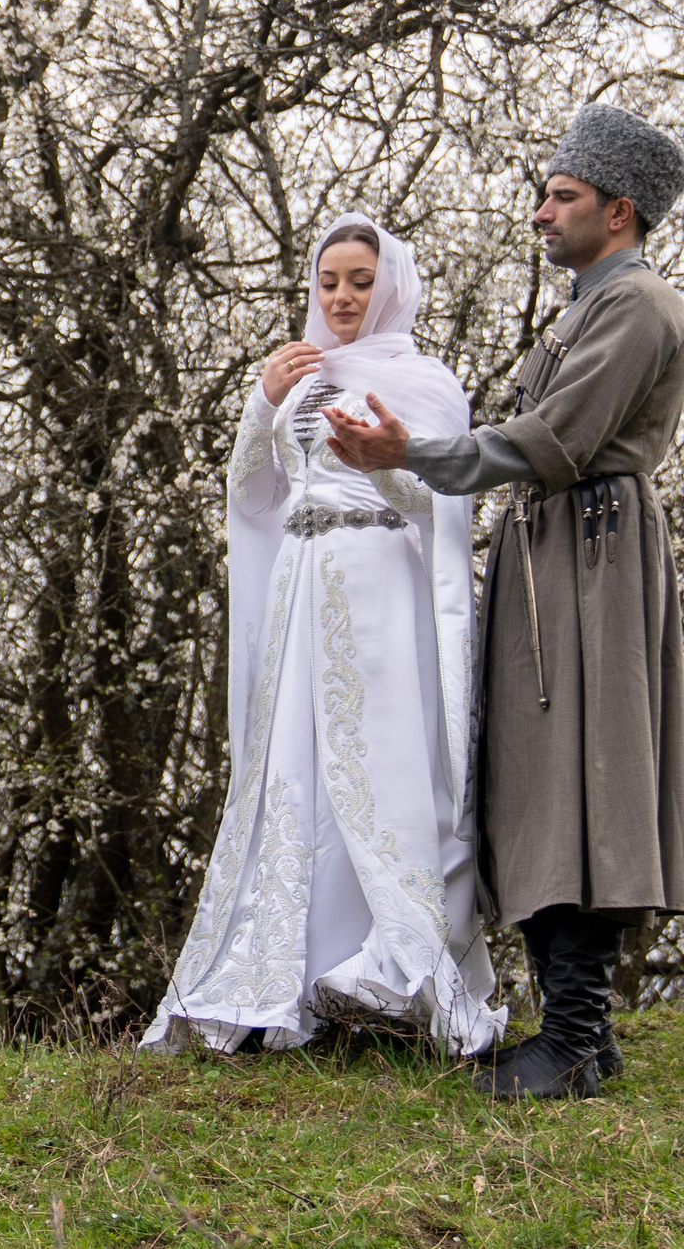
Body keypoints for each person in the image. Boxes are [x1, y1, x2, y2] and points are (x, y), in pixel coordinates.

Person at [327, 104, 684, 1101]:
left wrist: (409, 453)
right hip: (553, 558)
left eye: (561, 196)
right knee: (539, 784)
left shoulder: (638, 309)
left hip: (592, 562)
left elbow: (551, 441)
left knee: (582, 787)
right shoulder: (591, 305)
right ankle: (579, 1033)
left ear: (617, 212)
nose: (540, 211)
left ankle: (574, 1035)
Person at [141, 215, 505, 1058]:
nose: (342, 297)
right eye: (329, 280)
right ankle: (291, 979)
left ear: (393, 286)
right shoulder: (299, 376)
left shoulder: (421, 380)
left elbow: (445, 507)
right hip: (299, 591)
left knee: (374, 763)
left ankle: (392, 970)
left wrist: (385, 464)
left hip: (377, 586)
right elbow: (255, 494)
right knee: (294, 768)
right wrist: (262, 401)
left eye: (360, 280)